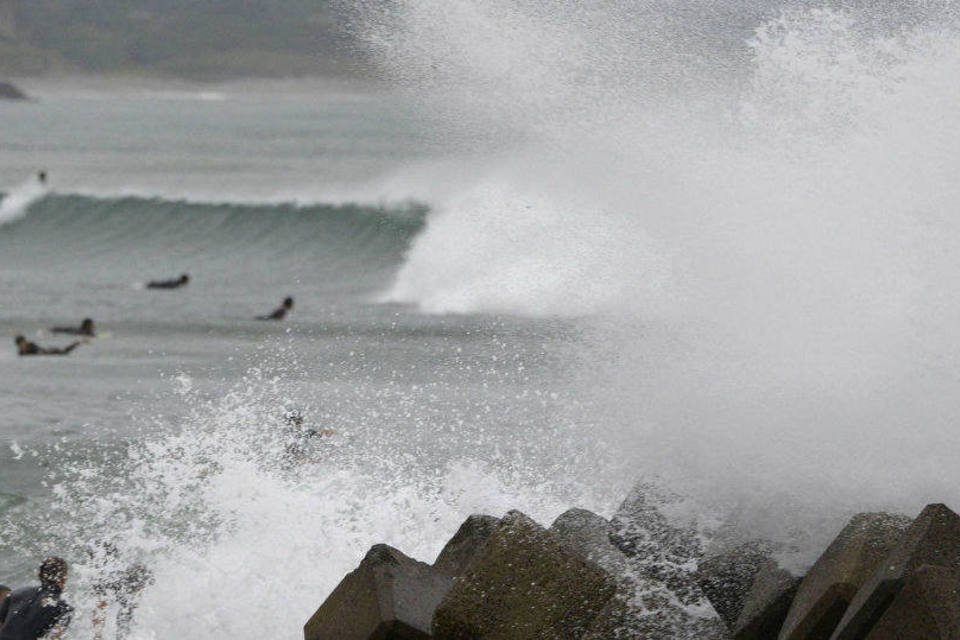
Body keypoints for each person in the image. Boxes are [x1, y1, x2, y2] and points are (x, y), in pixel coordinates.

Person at [0, 557, 73, 640]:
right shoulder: (63, 607)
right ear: (64, 578)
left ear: (39, 575)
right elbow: (55, 637)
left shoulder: (14, 595)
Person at [14, 336, 82, 357]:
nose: (22, 346)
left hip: (50, 351)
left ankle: (76, 343)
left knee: (65, 352)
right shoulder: (21, 353)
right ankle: (76, 343)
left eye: (23, 343)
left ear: (25, 342)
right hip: (46, 352)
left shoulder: (32, 346)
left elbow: (40, 351)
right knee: (65, 352)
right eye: (20, 345)